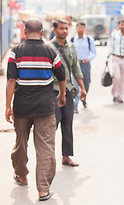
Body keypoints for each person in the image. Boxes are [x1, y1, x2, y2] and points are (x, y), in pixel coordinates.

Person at [5, 18, 66, 201]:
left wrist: (7, 106)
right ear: (42, 32)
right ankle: (43, 190)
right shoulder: (50, 51)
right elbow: (62, 75)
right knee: (45, 147)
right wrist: (62, 94)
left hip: (22, 106)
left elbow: (10, 81)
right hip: (45, 107)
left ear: (24, 31)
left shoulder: (16, 52)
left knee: (21, 142)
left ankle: (22, 175)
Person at [49, 19, 87, 167]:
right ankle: (49, 157)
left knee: (67, 124)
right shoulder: (49, 47)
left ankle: (66, 156)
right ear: (54, 30)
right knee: (53, 124)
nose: (64, 31)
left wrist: (82, 88)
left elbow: (76, 69)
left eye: (66, 28)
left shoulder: (71, 47)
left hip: (69, 91)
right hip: (54, 91)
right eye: (61, 29)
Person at [71, 22, 96, 113]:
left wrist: (88, 58)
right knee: (76, 85)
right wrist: (74, 59)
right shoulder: (72, 40)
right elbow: (70, 52)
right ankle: (75, 106)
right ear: (76, 28)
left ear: (85, 29)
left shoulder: (89, 40)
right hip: (76, 65)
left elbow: (93, 53)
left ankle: (84, 98)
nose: (81, 29)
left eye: (82, 27)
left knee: (86, 83)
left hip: (86, 64)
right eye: (79, 27)